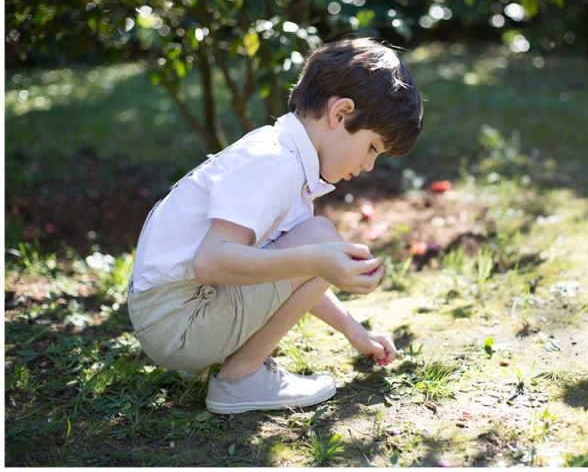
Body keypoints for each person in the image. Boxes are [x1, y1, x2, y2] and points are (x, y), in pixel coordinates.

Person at [127, 37, 423, 415]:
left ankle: (234, 368)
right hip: (180, 324)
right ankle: (239, 380)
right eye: (372, 148)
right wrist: (316, 259)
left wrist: (354, 330)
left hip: (172, 318)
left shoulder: (281, 152)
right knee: (319, 241)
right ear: (341, 114)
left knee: (318, 243)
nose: (368, 166)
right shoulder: (276, 163)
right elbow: (211, 262)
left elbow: (294, 276)